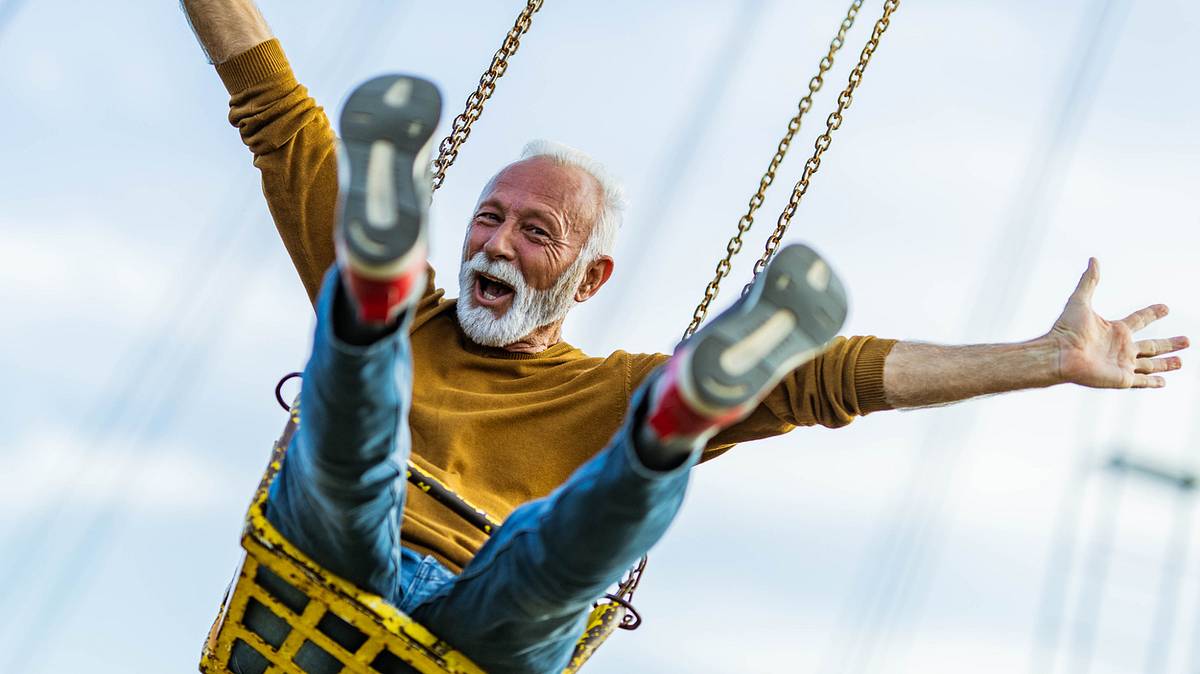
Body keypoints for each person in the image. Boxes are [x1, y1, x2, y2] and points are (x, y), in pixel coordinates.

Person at [180, 2, 1189, 672]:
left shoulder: (601, 383)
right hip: (332, 561)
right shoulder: (431, 326)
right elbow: (274, 108)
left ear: (591, 276)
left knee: (549, 566)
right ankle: (376, 283)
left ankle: (674, 421)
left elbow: (827, 377)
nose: (496, 242)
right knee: (354, 455)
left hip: (472, 628)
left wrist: (1043, 359)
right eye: (486, 217)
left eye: (536, 233)